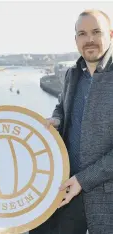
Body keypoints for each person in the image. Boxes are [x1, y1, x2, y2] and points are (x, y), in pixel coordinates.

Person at [30, 9, 113, 234]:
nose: (90, 40)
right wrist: (57, 119)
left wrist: (83, 180)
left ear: (111, 34)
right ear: (76, 39)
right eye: (82, 34)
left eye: (96, 32)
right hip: (68, 190)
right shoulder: (72, 74)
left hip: (106, 198)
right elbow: (62, 106)